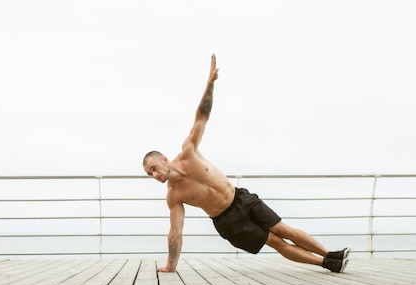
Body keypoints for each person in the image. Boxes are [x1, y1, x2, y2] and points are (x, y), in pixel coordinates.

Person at [142, 54, 350, 273]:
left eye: (154, 168)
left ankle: (330, 255)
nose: (154, 175)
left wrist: (210, 84)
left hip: (241, 198)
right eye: (149, 174)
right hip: (227, 221)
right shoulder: (174, 195)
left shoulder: (189, 152)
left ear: (164, 160)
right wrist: (171, 266)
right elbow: (176, 231)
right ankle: (326, 263)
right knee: (276, 241)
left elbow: (201, 118)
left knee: (283, 229)